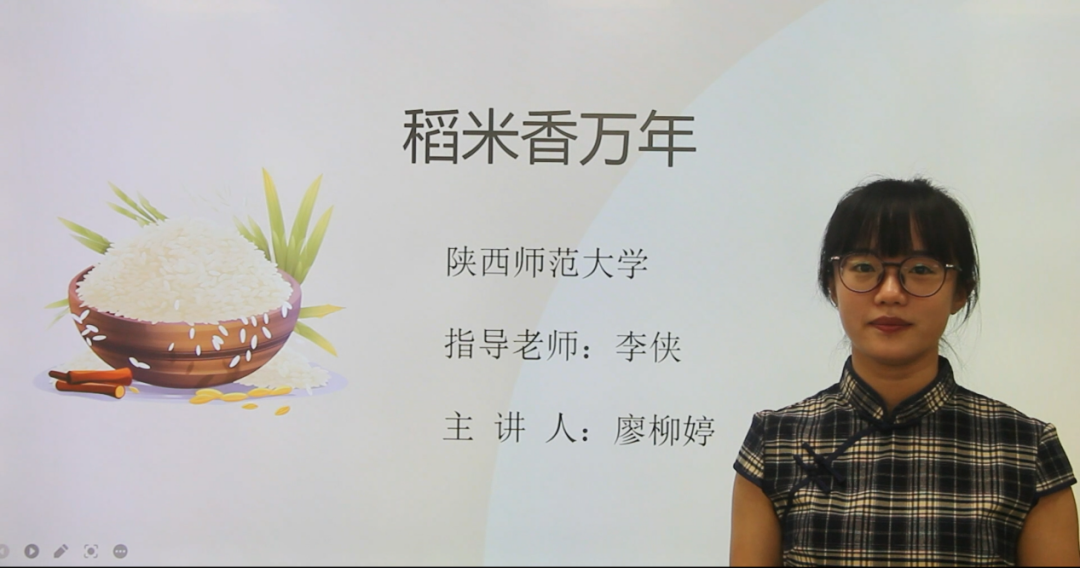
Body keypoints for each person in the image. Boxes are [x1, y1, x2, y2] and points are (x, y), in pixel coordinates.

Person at [729, 177, 1080, 566]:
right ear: (832, 284)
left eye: (921, 269)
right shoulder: (775, 442)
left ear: (961, 291)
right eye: (864, 267)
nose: (890, 293)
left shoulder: (1026, 449)